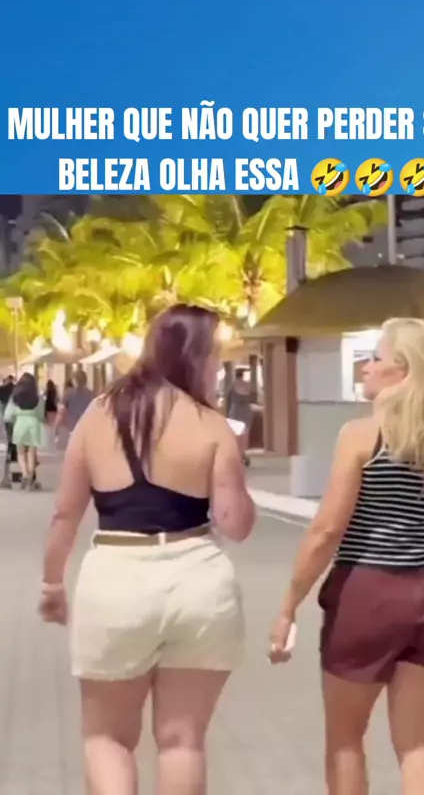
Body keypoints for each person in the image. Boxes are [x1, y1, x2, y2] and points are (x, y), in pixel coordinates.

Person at [39, 304, 255, 795]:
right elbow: (235, 524)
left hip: (116, 579)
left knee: (107, 738)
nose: (217, 365)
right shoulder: (211, 424)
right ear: (196, 357)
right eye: (214, 355)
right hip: (199, 581)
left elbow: (64, 515)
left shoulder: (98, 415)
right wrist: (236, 469)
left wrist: (52, 584)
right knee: (183, 741)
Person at [269, 318, 424, 795]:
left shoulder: (363, 434)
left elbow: (327, 530)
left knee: (345, 740)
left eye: (376, 358)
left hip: (367, 593)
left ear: (403, 370)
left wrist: (288, 606)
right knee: (418, 745)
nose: (365, 366)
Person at [4, 372, 44, 490]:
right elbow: (41, 415)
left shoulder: (14, 397)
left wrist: (13, 419)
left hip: (20, 424)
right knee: (31, 453)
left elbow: (7, 416)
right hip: (34, 425)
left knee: (21, 453)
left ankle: (25, 474)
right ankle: (31, 477)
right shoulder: (37, 397)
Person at [226, 368, 253, 466]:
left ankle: (238, 453)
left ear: (235, 375)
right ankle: (243, 452)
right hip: (246, 411)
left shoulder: (232, 386)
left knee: (235, 433)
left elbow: (229, 401)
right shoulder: (247, 386)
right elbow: (251, 398)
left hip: (235, 411)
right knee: (245, 433)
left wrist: (227, 413)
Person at [56, 370, 95, 437]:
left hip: (73, 428)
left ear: (75, 380)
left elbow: (61, 412)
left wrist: (56, 427)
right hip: (88, 428)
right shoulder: (92, 395)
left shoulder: (68, 393)